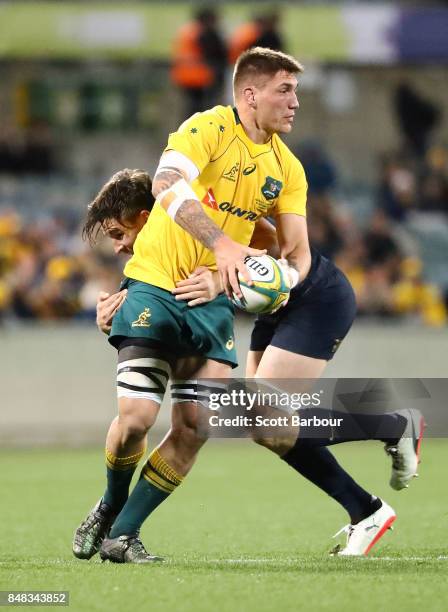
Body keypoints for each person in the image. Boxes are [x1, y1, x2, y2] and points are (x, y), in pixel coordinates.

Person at [171, 8, 228, 119]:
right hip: (197, 75)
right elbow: (212, 52)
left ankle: (188, 131)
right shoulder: (201, 32)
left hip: (183, 74)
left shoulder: (187, 30)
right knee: (198, 108)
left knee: (191, 108)